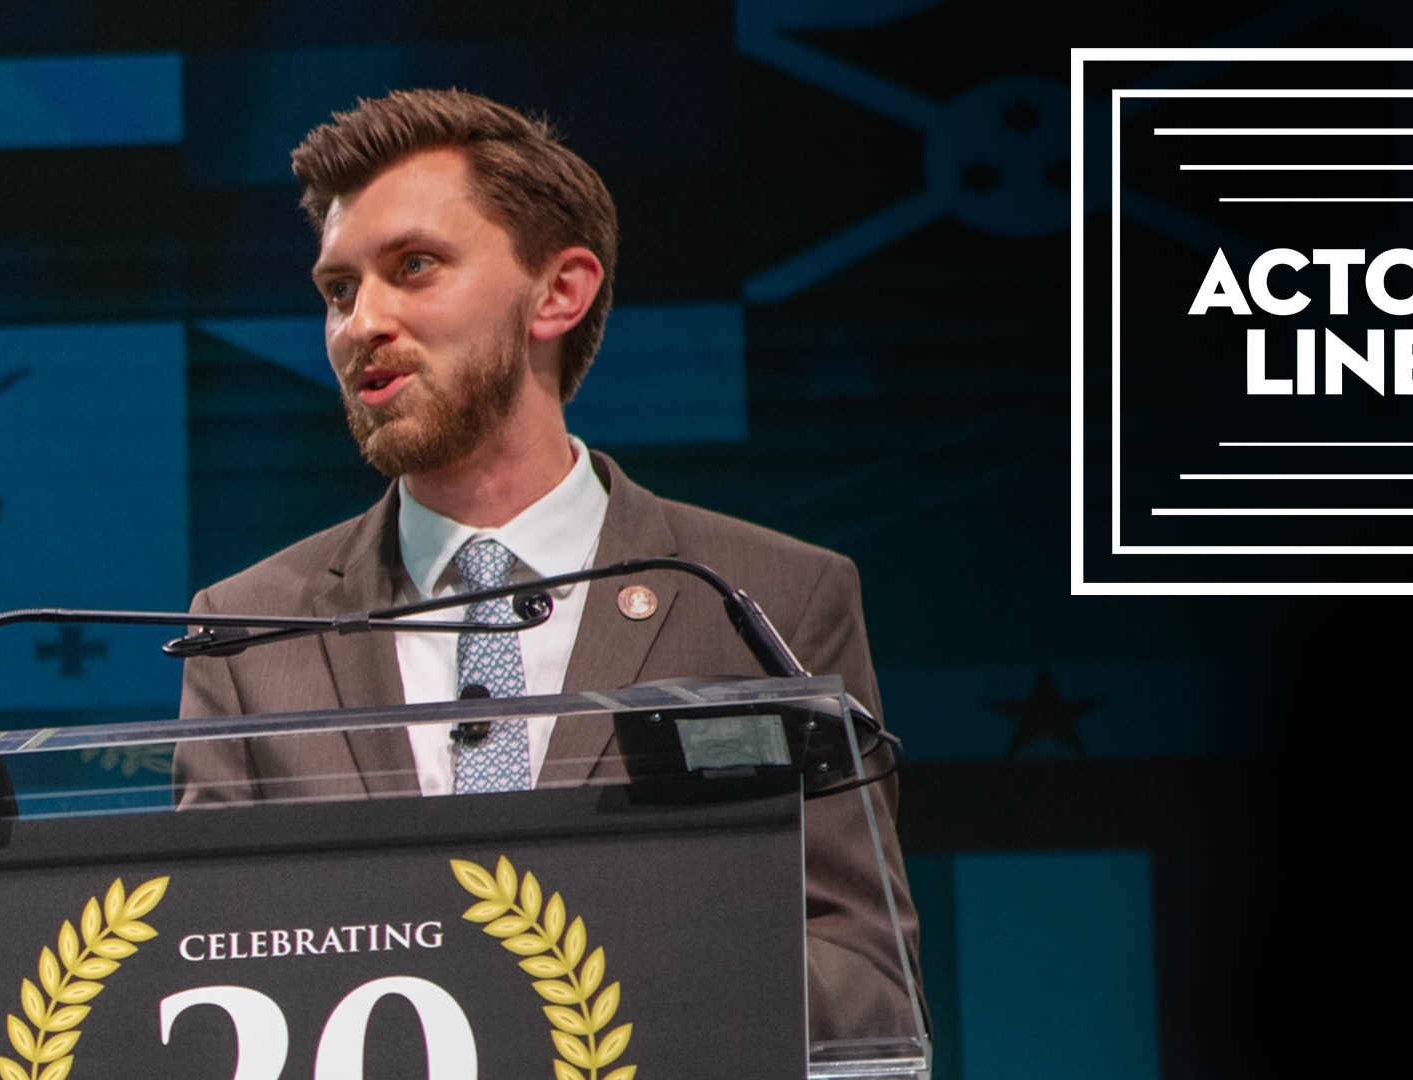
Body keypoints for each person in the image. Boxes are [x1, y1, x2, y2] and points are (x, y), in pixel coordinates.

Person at [172, 88, 921, 1042]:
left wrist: (618, 969)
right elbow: (205, 981)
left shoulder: (769, 598)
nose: (362, 323)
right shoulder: (247, 635)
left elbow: (868, 988)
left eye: (414, 266)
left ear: (559, 292)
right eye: (339, 290)